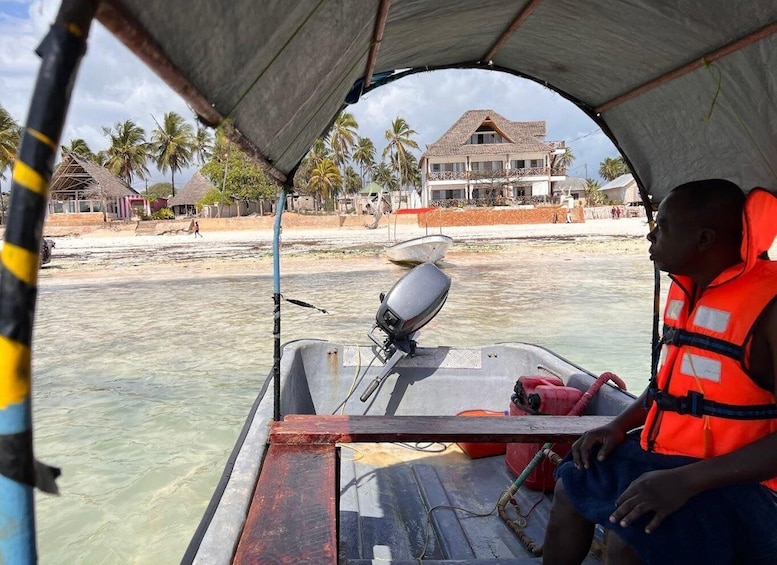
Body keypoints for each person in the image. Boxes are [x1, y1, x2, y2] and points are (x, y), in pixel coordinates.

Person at [543, 179, 777, 565]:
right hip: (668, 458)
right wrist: (618, 424)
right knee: (572, 485)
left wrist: (686, 481)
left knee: (631, 534)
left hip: (743, 482)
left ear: (704, 239)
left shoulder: (767, 308)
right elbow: (670, 386)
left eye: (664, 227)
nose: (651, 236)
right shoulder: (687, 290)